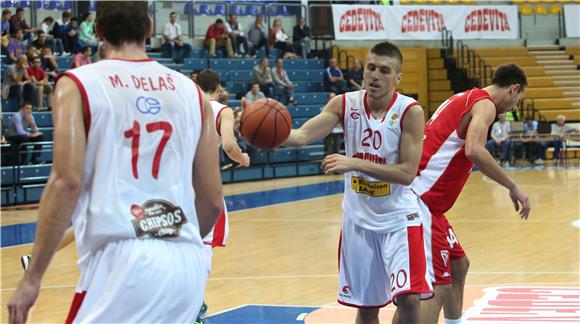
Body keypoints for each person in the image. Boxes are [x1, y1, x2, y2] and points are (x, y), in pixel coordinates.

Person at [6, 2, 223, 323]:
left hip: (124, 260)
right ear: (149, 28)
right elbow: (212, 201)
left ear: (97, 31)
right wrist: (173, 240)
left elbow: (67, 181)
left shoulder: (78, 84)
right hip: (187, 263)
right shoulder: (192, 93)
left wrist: (33, 276)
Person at [284, 41, 431, 324]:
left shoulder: (410, 111)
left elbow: (407, 173)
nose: (375, 75)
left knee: (410, 300)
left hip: (399, 219)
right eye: (371, 67)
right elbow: (301, 136)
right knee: (366, 307)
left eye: (384, 70)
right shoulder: (344, 103)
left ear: (397, 78)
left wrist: (353, 163)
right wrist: (260, 132)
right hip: (359, 220)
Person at [411, 63, 531, 324]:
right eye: (518, 100)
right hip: (420, 200)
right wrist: (512, 185)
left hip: (430, 205)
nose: (514, 107)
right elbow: (474, 150)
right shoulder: (485, 105)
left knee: (458, 264)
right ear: (514, 89)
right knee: (438, 288)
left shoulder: (466, 97)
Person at [196, 68, 249, 322]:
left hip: (171, 184)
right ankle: (193, 303)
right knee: (203, 246)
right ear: (218, 90)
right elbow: (229, 145)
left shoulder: (183, 104)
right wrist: (242, 158)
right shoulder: (222, 110)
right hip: (201, 187)